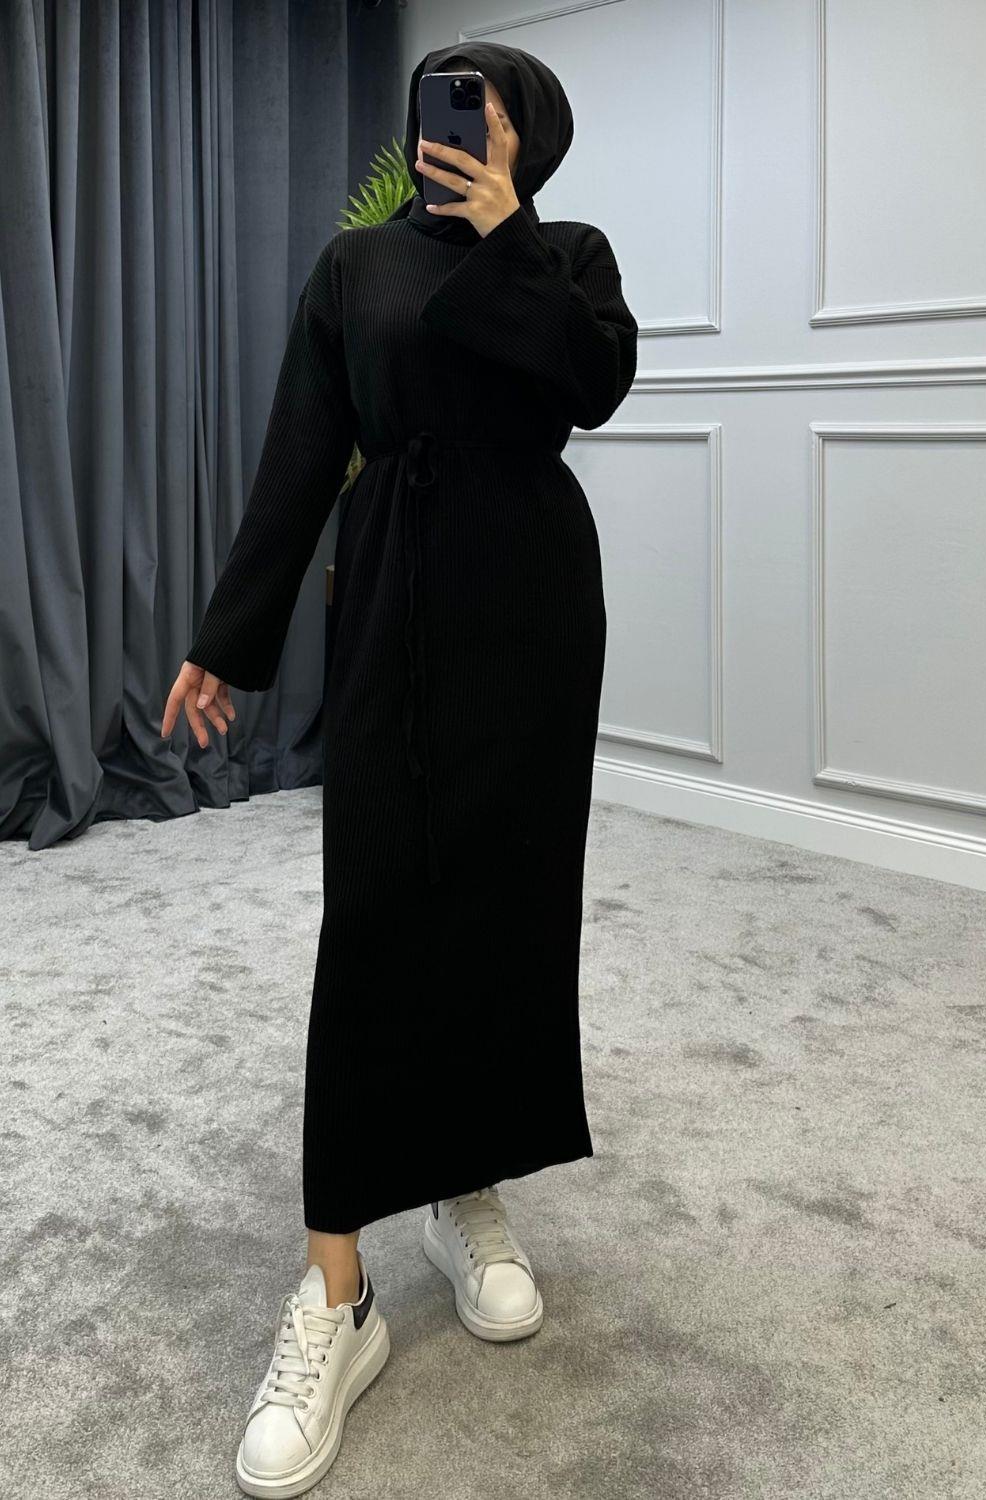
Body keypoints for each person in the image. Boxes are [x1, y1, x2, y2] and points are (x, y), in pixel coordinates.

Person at [161, 39, 638, 1498]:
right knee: (374, 914)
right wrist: (229, 638)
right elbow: (302, 452)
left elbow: (594, 386)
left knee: (505, 902)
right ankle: (337, 1288)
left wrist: (508, 240)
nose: (456, 121)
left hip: (530, 610)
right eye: (441, 97)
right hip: (390, 599)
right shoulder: (354, 264)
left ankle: (464, 1187)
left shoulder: (567, 255)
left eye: (483, 103)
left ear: (526, 132)